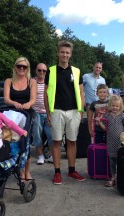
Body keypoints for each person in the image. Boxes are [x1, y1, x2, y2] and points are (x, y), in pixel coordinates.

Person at [44, 40, 85, 185]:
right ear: (58, 53)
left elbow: (81, 91)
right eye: (62, 52)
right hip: (57, 111)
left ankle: (72, 170)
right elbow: (46, 93)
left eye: (67, 52)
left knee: (72, 141)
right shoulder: (51, 70)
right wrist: (48, 113)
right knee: (56, 142)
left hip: (74, 111)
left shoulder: (76, 71)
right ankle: (57, 172)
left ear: (70, 54)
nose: (64, 55)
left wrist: (81, 111)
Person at [4, 57, 37, 181]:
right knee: (11, 140)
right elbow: (6, 98)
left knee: (25, 141)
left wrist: (28, 104)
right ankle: (18, 169)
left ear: (27, 68)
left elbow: (33, 99)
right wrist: (14, 103)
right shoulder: (9, 81)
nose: (22, 68)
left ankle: (27, 171)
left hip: (26, 114)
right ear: (15, 67)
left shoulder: (31, 82)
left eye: (24, 67)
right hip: (12, 114)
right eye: (19, 66)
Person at [98, 95, 124, 187]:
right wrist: (100, 122)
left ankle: (121, 177)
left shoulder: (122, 115)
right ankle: (113, 177)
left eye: (117, 106)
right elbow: (105, 128)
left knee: (120, 160)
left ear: (120, 106)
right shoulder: (107, 116)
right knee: (112, 160)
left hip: (120, 142)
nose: (115, 108)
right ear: (110, 105)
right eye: (113, 105)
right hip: (110, 142)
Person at [32, 63, 53, 165]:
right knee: (37, 134)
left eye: (44, 71)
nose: (41, 72)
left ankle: (52, 155)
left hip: (49, 113)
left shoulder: (49, 82)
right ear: (36, 70)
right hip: (36, 112)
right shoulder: (31, 82)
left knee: (51, 134)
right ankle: (40, 155)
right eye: (39, 70)